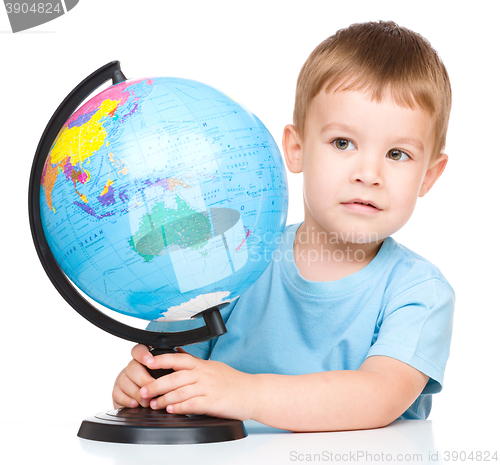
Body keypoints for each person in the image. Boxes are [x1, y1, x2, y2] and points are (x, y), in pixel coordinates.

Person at [112, 20, 454, 432]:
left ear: (430, 176)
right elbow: (173, 370)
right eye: (343, 143)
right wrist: (146, 387)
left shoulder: (419, 292)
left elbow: (378, 396)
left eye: (398, 154)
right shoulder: (236, 258)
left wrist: (248, 393)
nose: (369, 173)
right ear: (296, 149)